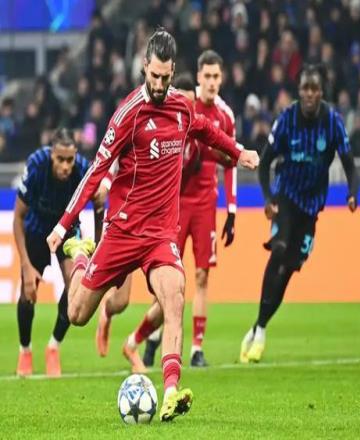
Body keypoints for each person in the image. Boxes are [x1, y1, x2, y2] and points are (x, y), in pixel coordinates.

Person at [46, 29, 259, 422]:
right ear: (145, 67)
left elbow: (207, 130)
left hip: (161, 234)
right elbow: (96, 172)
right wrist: (64, 226)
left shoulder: (181, 107)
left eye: (165, 77)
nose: (159, 84)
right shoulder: (128, 114)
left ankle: (171, 392)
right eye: (154, 76)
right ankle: (81, 256)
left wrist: (239, 151)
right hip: (122, 231)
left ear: (173, 71)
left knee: (174, 296)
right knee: (76, 314)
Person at [239, 64, 360, 363]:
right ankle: (261, 331)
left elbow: (349, 163)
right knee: (278, 249)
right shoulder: (287, 120)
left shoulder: (333, 122)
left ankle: (258, 326)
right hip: (286, 198)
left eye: (314, 88)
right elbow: (265, 163)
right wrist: (268, 198)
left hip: (312, 207)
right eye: (305, 88)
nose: (309, 94)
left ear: (321, 92)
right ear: (299, 90)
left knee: (289, 269)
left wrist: (353, 192)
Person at [136, 50, 237, 369]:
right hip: (175, 204)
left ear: (222, 78)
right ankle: (153, 339)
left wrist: (232, 208)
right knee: (166, 278)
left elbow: (231, 161)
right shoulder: (182, 104)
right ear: (198, 77)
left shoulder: (226, 116)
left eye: (216, 76)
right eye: (207, 76)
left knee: (202, 275)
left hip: (206, 202)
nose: (212, 82)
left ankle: (196, 349)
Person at [13, 128, 104, 377]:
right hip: (36, 231)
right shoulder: (36, 165)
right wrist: (26, 266)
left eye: (69, 160)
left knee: (75, 287)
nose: (65, 166)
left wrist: (98, 246)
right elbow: (18, 218)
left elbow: (99, 205)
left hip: (68, 231)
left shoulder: (83, 169)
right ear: (51, 155)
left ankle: (53, 346)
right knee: (28, 294)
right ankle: (25, 350)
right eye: (60, 160)